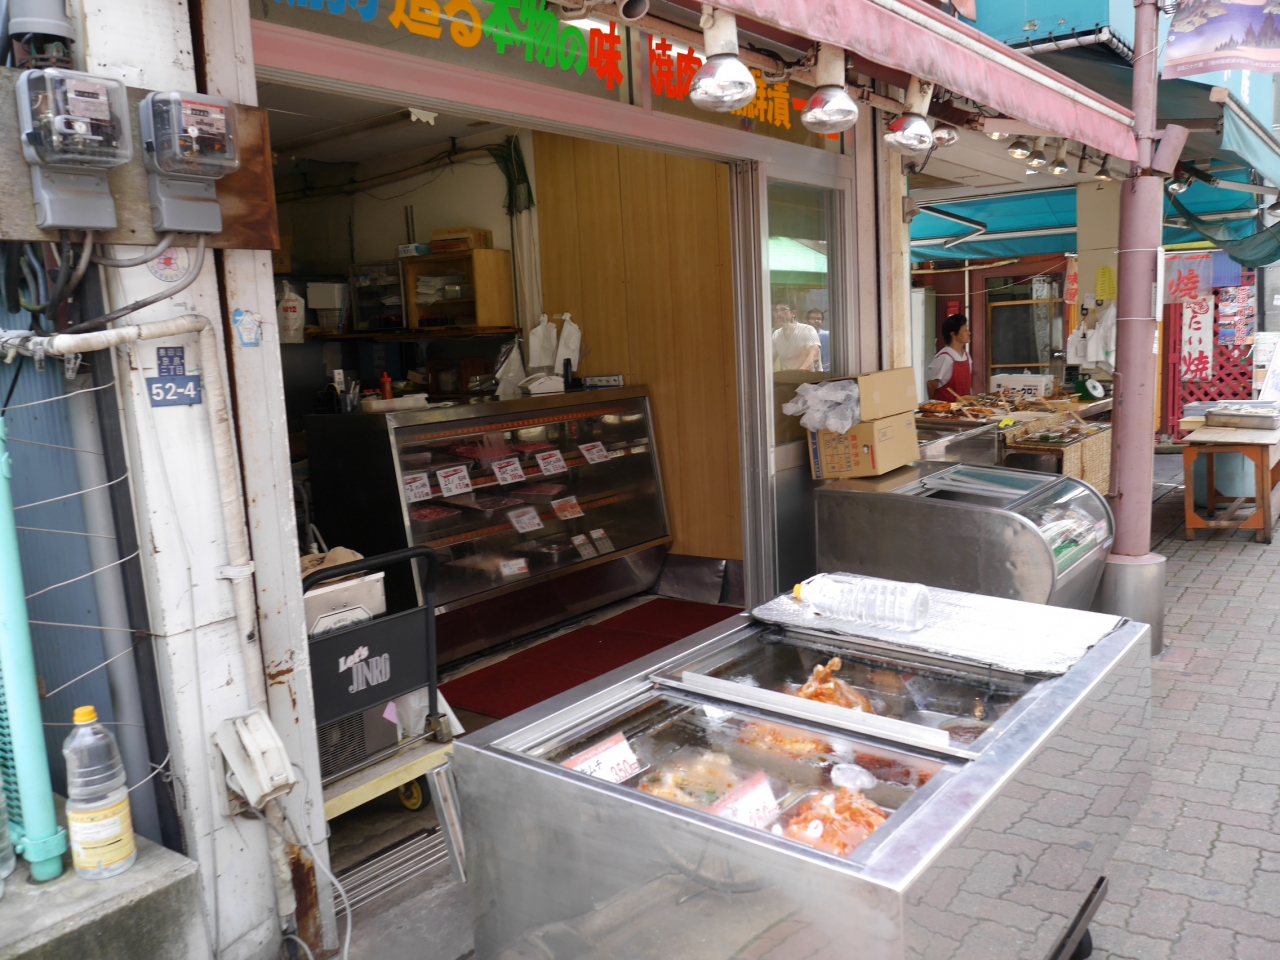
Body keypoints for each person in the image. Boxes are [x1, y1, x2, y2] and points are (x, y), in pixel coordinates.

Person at [926, 314, 972, 401]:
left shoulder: (966, 356)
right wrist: (933, 403)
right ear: (953, 334)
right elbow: (931, 385)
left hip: (964, 407)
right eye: (965, 329)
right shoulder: (944, 357)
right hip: (946, 408)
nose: (969, 333)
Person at [772, 301, 820, 371]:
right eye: (776, 311)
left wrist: (796, 374)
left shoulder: (807, 330)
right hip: (788, 377)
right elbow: (769, 360)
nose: (778, 314)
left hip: (810, 377)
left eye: (783, 310)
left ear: (793, 313)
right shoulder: (776, 335)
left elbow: (814, 357)